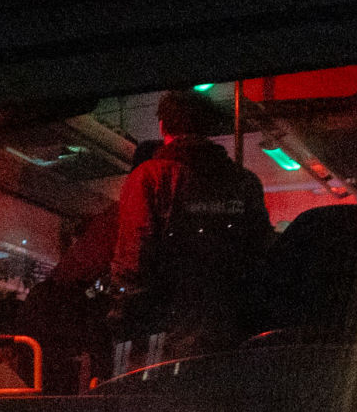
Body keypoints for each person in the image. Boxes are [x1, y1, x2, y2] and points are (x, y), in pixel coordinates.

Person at [109, 87, 275, 355]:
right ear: (208, 127)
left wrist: (123, 323)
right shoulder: (245, 182)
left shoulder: (149, 177)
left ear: (163, 127)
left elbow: (133, 260)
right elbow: (260, 253)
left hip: (165, 334)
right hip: (231, 331)